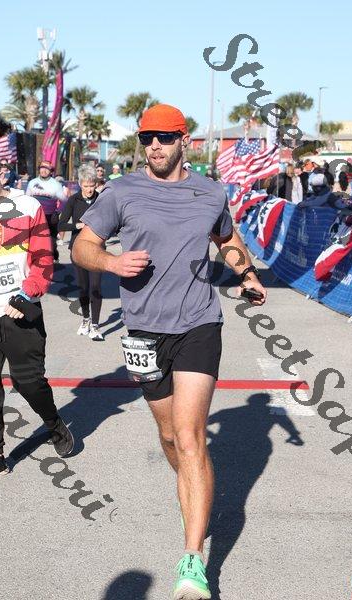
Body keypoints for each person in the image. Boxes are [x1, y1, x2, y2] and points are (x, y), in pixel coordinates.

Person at [72, 103, 267, 600]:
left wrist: (246, 273)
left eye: (163, 137)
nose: (154, 145)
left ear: (184, 140)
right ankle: (193, 489)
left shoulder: (210, 192)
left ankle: (192, 560)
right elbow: (82, 246)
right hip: (142, 330)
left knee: (190, 436)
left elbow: (225, 237)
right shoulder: (122, 191)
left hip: (199, 323)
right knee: (169, 436)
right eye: (146, 138)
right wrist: (112, 263)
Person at [0, 147, 73, 483]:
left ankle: (53, 423)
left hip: (21, 309)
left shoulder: (28, 206)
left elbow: (44, 261)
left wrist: (25, 295)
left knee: (28, 383)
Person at [58, 165, 104, 341]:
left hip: (97, 249)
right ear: (80, 184)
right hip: (78, 248)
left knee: (96, 287)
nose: (89, 189)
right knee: (83, 287)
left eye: (92, 185)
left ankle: (95, 326)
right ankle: (86, 319)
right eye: (86, 186)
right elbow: (61, 224)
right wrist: (77, 225)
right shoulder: (73, 200)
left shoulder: (101, 199)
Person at [26, 160, 65, 261]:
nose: (44, 170)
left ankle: (53, 253)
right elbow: (26, 199)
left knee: (50, 244)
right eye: (42, 167)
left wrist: (57, 212)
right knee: (35, 242)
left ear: (51, 171)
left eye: (47, 168)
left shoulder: (56, 184)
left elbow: (64, 201)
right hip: (35, 216)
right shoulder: (32, 183)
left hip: (50, 217)